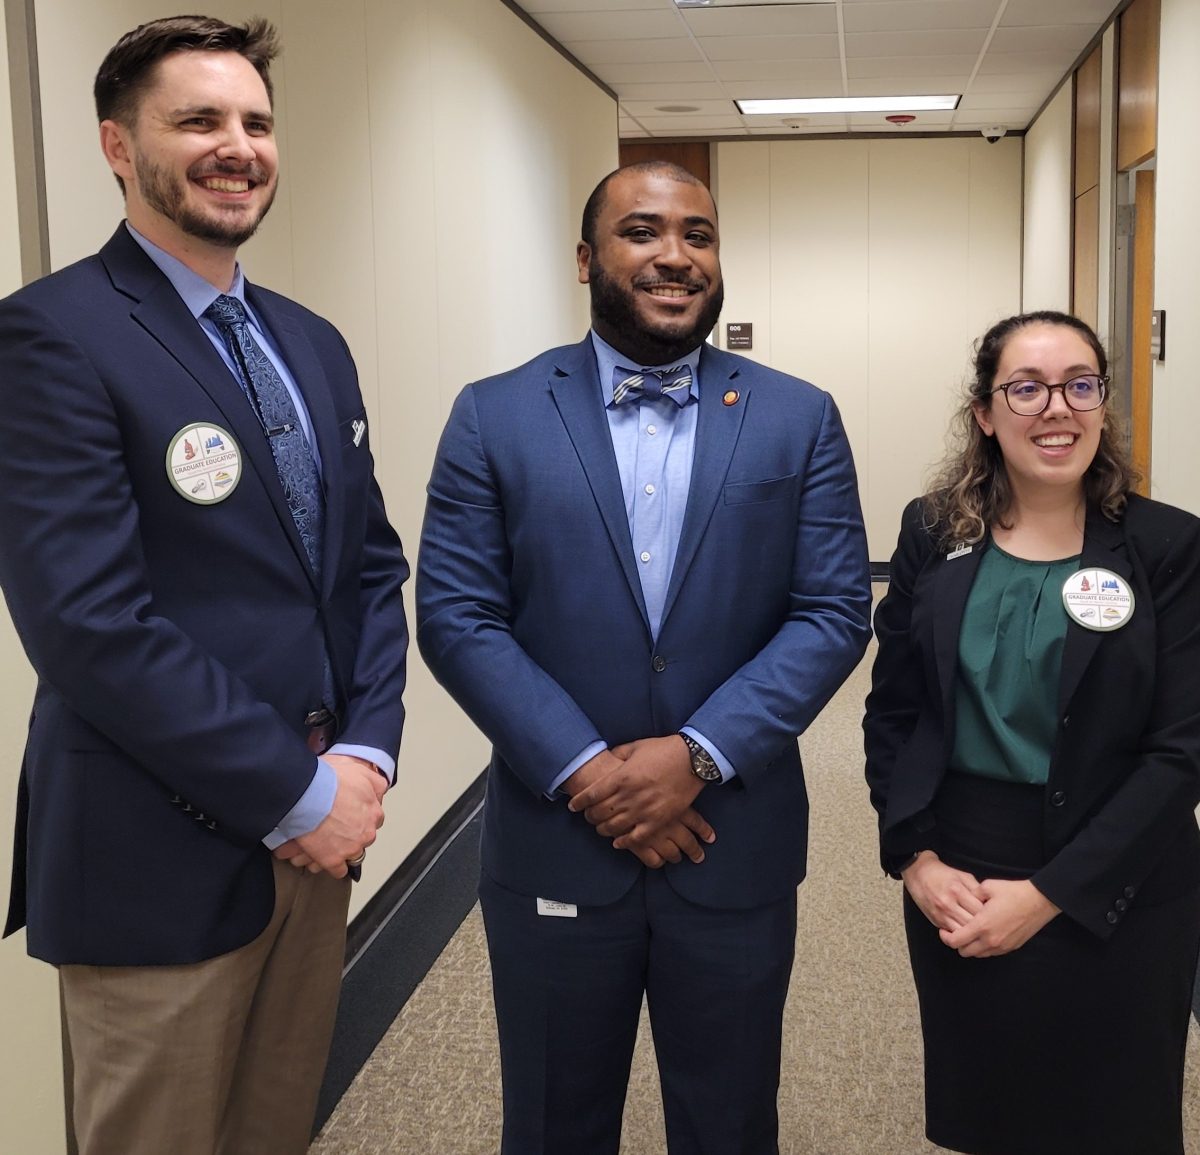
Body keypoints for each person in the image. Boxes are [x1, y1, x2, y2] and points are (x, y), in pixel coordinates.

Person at [0, 16, 408, 1155]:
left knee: (272, 1130)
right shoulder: (51, 337)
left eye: (256, 123)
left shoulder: (310, 342)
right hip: (156, 854)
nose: (239, 147)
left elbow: (369, 568)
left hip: (321, 837)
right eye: (198, 121)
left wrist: (365, 755)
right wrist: (298, 792)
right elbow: (90, 625)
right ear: (117, 146)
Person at [417, 161, 871, 1154]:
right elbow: (457, 616)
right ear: (587, 259)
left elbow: (834, 612)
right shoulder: (496, 413)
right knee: (554, 1122)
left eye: (698, 235)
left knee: (730, 1122)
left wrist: (697, 754)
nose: (675, 256)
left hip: (732, 842)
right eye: (643, 232)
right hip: (557, 838)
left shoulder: (798, 416)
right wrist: (588, 771)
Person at [864, 310, 1200, 1155]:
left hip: (1120, 876)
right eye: (1027, 388)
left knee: (1116, 1119)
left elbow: (1181, 751)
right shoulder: (933, 531)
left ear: (1102, 404)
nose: (1057, 407)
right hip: (962, 875)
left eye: (1080, 385)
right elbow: (895, 712)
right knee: (994, 1113)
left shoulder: (1167, 545)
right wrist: (916, 857)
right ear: (984, 412)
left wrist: (1050, 893)